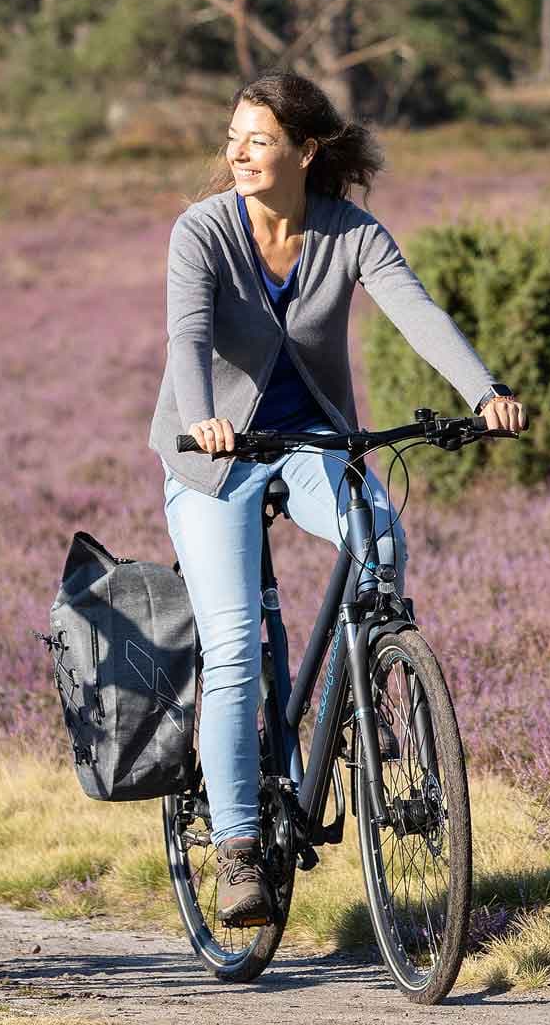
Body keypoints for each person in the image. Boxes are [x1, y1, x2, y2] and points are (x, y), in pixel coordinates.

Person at [149, 71, 527, 928]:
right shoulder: (201, 232)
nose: (238, 154)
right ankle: (239, 846)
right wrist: (203, 417)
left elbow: (416, 311)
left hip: (314, 440)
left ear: (304, 151)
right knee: (238, 646)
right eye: (235, 138)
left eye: (258, 140)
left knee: (381, 540)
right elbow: (188, 335)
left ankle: (369, 684)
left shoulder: (349, 233)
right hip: (214, 457)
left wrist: (483, 390)